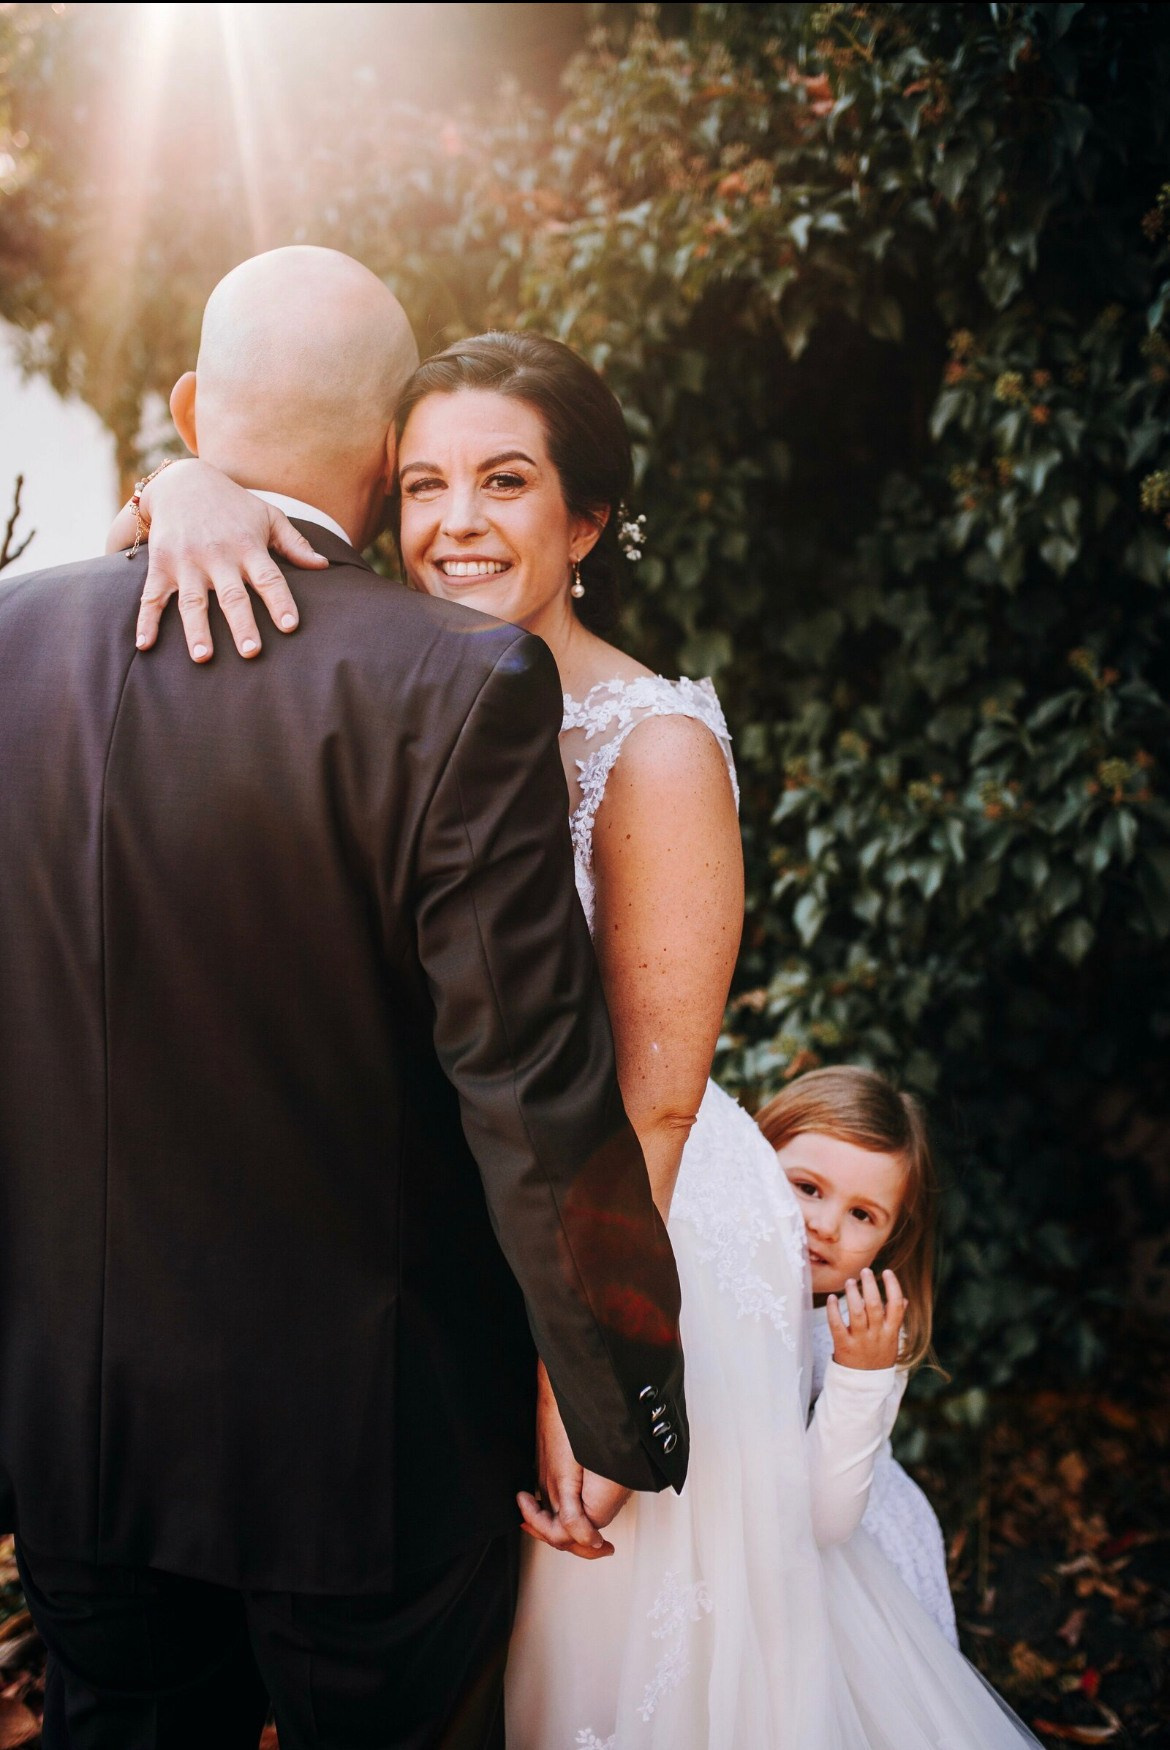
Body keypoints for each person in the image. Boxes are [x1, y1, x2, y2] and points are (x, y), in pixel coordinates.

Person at [115, 316, 1045, 1748]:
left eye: (504, 482)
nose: (452, 523)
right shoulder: (392, 682)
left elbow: (650, 1107)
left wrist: (592, 1383)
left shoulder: (651, 742)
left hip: (629, 1246)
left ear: (588, 515)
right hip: (462, 1252)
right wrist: (189, 487)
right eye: (420, 484)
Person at [0, 249, 690, 1750]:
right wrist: (620, 1390)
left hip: (76, 1431)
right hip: (363, 1457)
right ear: (391, 450)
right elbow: (532, 1095)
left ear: (191, 412)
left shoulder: (9, 640)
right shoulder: (454, 681)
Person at [758, 1065, 959, 1645]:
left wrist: (860, 1376)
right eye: (807, 1187)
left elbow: (824, 1520)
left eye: (862, 1214)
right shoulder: (707, 1270)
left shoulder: (869, 1334)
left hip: (831, 1528)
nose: (824, 1226)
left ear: (891, 1238)